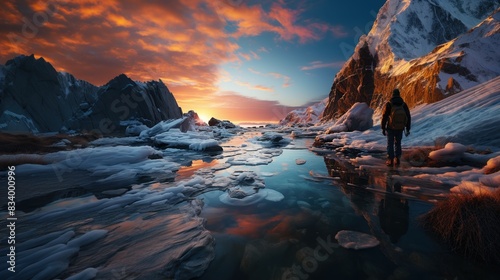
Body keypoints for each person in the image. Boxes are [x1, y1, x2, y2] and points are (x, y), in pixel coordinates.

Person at [381, 89, 411, 166]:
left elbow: (384, 116)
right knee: (398, 143)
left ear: (393, 95)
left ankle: (390, 159)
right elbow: (408, 116)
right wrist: (407, 128)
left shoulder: (389, 104)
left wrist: (383, 128)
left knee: (390, 143)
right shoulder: (403, 104)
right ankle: (397, 158)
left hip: (391, 127)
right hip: (400, 127)